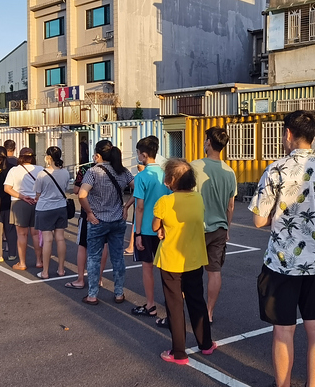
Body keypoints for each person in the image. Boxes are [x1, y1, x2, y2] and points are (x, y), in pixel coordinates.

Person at [249, 110, 315, 387]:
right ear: (313, 135)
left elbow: (259, 220)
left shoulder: (276, 170)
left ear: (288, 134)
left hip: (283, 263)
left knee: (283, 331)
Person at [151, 158, 215, 364]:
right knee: (197, 301)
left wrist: (161, 228)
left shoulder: (165, 201)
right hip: (194, 258)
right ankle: (206, 343)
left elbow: (154, 226)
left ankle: (178, 352)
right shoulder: (198, 198)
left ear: (171, 180)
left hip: (171, 259)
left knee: (175, 305)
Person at [77, 140, 134, 305]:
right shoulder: (123, 171)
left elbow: (81, 194)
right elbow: (137, 188)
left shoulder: (93, 172)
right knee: (118, 258)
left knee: (94, 258)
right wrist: (126, 206)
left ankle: (92, 295)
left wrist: (88, 212)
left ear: (98, 154)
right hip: (117, 219)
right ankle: (119, 293)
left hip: (97, 220)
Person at [191, 127, 238, 324]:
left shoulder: (194, 166)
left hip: (196, 227)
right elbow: (230, 205)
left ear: (209, 142)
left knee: (190, 272)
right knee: (214, 271)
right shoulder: (229, 172)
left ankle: (190, 307)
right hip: (219, 227)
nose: (203, 143)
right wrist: (227, 227)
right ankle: (209, 312)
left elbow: (188, 197)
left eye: (205, 140)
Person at [130, 137, 170, 318]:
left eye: (138, 153)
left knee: (147, 267)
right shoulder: (166, 174)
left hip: (146, 229)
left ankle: (151, 305)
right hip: (164, 227)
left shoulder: (141, 177)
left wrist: (137, 233)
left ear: (144, 155)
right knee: (167, 268)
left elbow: (139, 207)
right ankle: (171, 303)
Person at [64, 161, 108, 290]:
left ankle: (80, 279)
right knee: (103, 245)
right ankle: (99, 278)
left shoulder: (87, 169)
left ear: (97, 155)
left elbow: (77, 190)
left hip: (88, 212)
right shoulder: (115, 169)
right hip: (107, 214)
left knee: (83, 246)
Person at [34, 146, 71, 279]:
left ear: (49, 157)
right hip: (60, 207)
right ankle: (61, 269)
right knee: (60, 238)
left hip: (44, 208)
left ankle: (45, 272)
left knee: (47, 239)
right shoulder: (65, 173)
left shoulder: (42, 174)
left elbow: (37, 193)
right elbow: (66, 188)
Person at [4, 148, 44, 270]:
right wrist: (36, 197)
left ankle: (22, 263)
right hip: (37, 203)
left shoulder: (14, 170)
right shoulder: (40, 169)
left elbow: (7, 188)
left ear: (20, 157)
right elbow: (44, 187)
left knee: (22, 234)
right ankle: (39, 261)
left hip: (19, 203)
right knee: (36, 234)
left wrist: (22, 196)